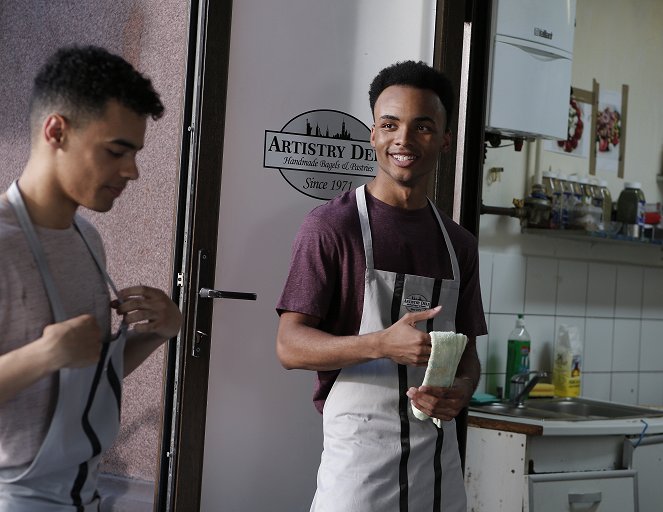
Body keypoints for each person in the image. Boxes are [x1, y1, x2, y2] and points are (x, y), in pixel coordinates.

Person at [276, 60, 486, 511]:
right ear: (373, 134)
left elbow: (469, 358)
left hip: (439, 473)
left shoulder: (459, 245)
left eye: (423, 127)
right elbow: (289, 346)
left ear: (446, 139)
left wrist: (460, 393)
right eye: (389, 124)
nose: (403, 140)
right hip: (360, 471)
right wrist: (381, 344)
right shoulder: (332, 227)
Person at [0, 46, 182, 511]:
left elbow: (87, 375)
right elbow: (56, 360)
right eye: (116, 151)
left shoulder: (86, 238)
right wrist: (44, 354)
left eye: (135, 153)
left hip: (85, 496)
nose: (132, 171)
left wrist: (158, 334)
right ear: (56, 131)